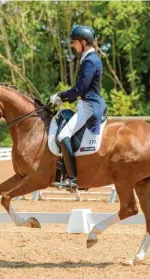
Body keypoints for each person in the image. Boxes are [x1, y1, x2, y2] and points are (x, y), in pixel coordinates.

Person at [50, 25, 106, 191]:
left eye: (74, 42)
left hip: (89, 106)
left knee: (63, 135)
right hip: (88, 103)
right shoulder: (89, 58)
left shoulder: (90, 60)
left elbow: (80, 89)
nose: (73, 46)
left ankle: (72, 179)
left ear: (83, 42)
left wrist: (61, 96)